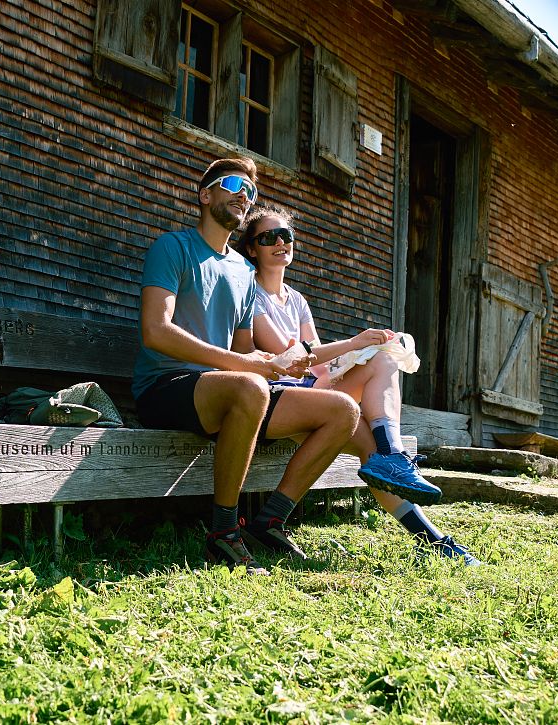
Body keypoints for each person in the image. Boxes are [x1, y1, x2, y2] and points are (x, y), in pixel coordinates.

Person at [133, 158, 432, 573]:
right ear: (205, 195)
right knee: (249, 386)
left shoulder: (241, 271)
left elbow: (242, 350)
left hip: (228, 389)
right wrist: (246, 366)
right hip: (167, 384)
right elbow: (156, 331)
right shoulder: (174, 247)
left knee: (343, 412)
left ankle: (269, 520)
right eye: (233, 184)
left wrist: (270, 365)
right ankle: (223, 533)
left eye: (250, 191)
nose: (244, 194)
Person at [236, 205, 481, 565]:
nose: (280, 243)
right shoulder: (249, 294)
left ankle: (428, 531)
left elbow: (318, 368)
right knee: (370, 378)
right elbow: (294, 356)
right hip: (277, 399)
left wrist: (360, 356)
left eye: (285, 236)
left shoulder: (297, 300)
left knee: (383, 361)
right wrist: (353, 344)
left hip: (310, 392)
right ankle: (394, 461)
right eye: (268, 238)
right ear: (252, 249)